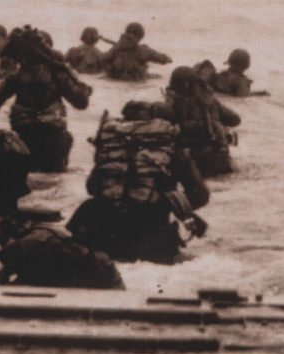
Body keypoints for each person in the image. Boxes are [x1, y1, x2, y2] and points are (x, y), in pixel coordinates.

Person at [67, 99, 210, 264]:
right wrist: (169, 202)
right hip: (150, 233)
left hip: (102, 230)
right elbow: (200, 195)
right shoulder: (173, 149)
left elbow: (92, 188)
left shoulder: (112, 144)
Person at [0, 25, 92, 173]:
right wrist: (82, 88)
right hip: (53, 140)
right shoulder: (58, 75)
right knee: (54, 172)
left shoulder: (17, 77)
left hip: (25, 138)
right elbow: (81, 103)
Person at [162, 65, 241, 177]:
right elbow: (235, 119)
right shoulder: (209, 100)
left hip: (190, 161)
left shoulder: (173, 103)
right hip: (219, 158)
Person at [101, 22, 172, 81]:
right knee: (158, 77)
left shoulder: (116, 48)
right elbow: (164, 59)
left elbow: (102, 60)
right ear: (140, 36)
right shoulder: (143, 50)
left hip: (114, 79)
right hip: (135, 81)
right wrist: (168, 58)